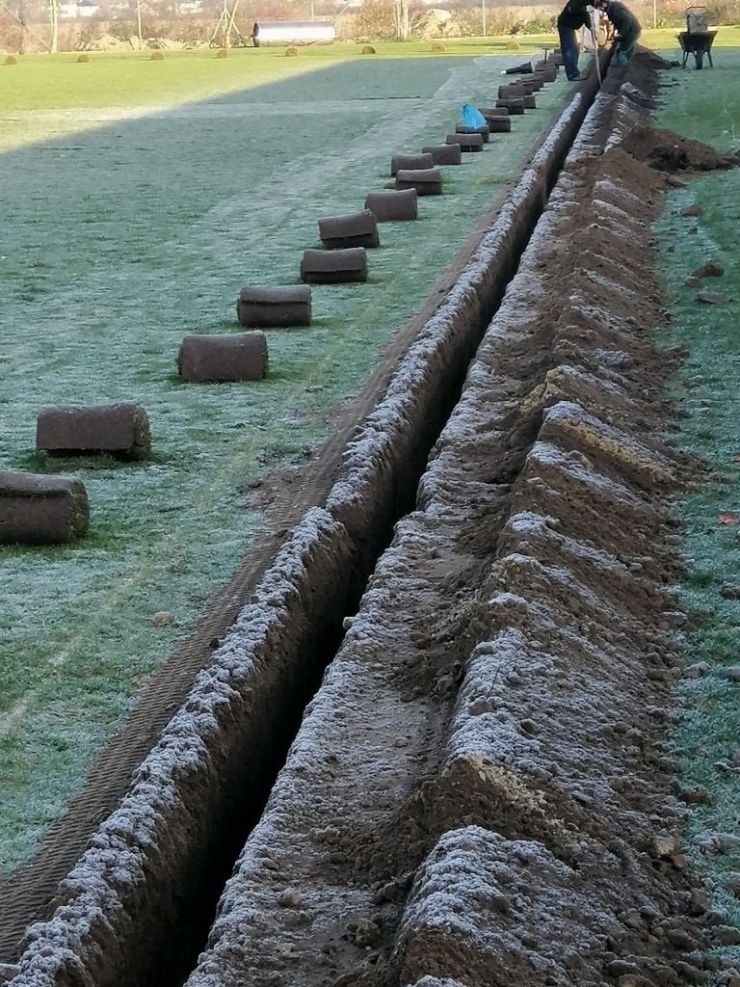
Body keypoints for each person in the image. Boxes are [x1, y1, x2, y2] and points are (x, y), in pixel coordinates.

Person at [595, 0, 642, 65]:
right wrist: (615, 33)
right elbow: (617, 22)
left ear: (604, 3)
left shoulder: (615, 8)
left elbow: (627, 19)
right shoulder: (611, 8)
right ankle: (628, 66)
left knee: (621, 52)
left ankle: (622, 69)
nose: (599, 9)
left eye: (599, 6)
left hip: (632, 31)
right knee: (626, 52)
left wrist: (621, 34)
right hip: (632, 31)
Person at [557, 0, 591, 81]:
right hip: (565, 25)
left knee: (575, 48)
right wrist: (590, 25)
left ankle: (574, 73)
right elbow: (582, 14)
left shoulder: (583, 6)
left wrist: (591, 27)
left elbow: (585, 17)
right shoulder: (576, 5)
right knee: (570, 49)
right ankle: (572, 74)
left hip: (569, 26)